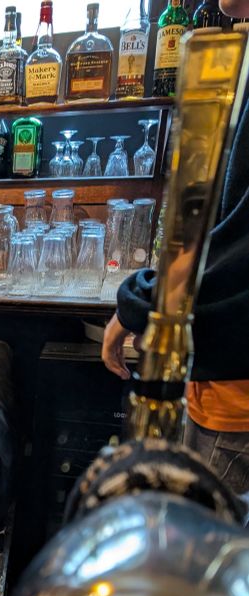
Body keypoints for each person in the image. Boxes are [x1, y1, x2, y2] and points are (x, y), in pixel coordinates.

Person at [102, 8, 249, 496]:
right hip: (219, 377)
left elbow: (237, 248)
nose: (228, 9)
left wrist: (141, 303)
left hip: (235, 389)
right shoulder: (234, 51)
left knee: (188, 556)